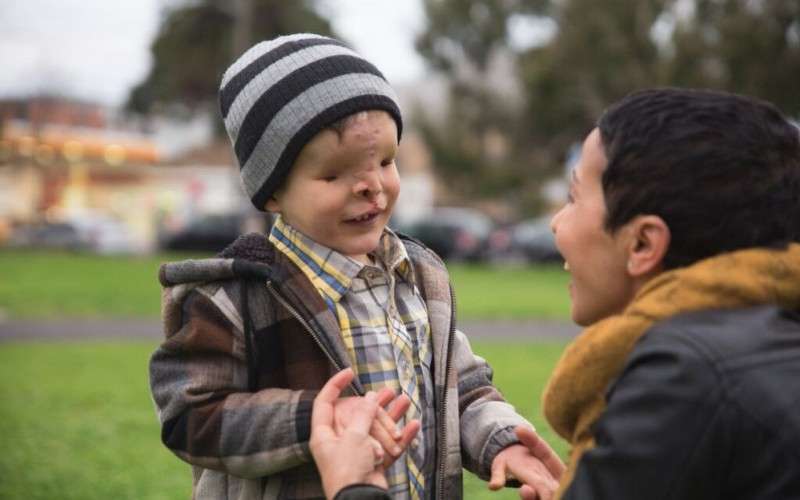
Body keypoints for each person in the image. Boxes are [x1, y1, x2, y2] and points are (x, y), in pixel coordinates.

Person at [309, 87, 800, 500]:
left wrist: (356, 488)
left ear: (644, 242)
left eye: (572, 197)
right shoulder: (766, 349)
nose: (555, 224)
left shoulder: (685, 381)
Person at [149, 33, 559, 500]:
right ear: (272, 192)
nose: (371, 186)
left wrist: (502, 441)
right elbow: (189, 415)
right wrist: (315, 419)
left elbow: (461, 390)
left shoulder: (418, 277)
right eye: (335, 173)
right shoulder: (238, 294)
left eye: (386, 161)